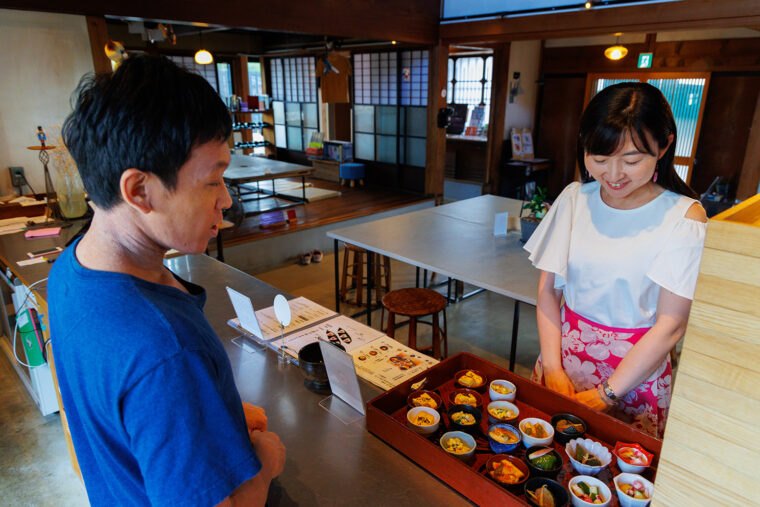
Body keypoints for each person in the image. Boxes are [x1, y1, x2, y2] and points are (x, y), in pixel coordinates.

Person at [50, 55, 285, 505]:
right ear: (139, 190)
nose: (227, 200)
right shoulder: (165, 350)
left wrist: (219, 418)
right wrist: (266, 466)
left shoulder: (70, 269)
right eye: (212, 181)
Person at [524, 82, 707, 438]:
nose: (613, 174)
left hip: (634, 375)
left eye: (632, 160)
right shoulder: (576, 199)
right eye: (600, 158)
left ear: (665, 145)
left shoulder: (685, 218)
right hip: (562, 358)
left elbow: (671, 326)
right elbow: (548, 293)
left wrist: (607, 393)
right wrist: (553, 366)